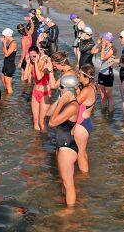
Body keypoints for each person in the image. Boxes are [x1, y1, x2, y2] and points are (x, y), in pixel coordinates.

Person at [48, 75, 80, 206]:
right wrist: (60, 101)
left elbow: (51, 122)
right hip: (62, 145)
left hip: (67, 147)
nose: (58, 89)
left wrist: (61, 102)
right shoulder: (67, 104)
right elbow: (49, 113)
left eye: (60, 87)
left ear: (67, 89)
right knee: (63, 180)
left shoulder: (72, 106)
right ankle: (66, 200)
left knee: (68, 183)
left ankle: (70, 212)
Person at [73, 64, 96, 173]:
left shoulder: (86, 90)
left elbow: (74, 104)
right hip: (87, 122)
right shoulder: (92, 86)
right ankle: (85, 173)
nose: (78, 76)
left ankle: (83, 177)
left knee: (80, 154)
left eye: (80, 74)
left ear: (86, 76)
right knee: (83, 152)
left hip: (81, 124)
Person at [24, 46, 51, 131]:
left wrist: (35, 63)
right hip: (35, 92)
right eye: (30, 56)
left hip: (45, 93)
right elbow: (24, 77)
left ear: (38, 55)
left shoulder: (45, 63)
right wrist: (28, 63)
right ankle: (36, 142)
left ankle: (44, 140)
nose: (32, 58)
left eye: (34, 56)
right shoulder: (31, 63)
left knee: (41, 121)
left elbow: (39, 77)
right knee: (35, 120)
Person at [91, 32, 116, 112]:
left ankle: (110, 115)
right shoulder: (103, 46)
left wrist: (103, 47)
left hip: (108, 74)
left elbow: (102, 58)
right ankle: (103, 115)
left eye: (103, 38)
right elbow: (92, 51)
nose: (101, 39)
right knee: (102, 96)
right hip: (101, 73)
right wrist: (97, 43)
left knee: (109, 96)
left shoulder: (113, 49)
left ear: (107, 40)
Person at [0, 28, 17, 94]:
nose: (3, 37)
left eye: (4, 36)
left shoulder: (13, 43)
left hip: (10, 66)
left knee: (8, 85)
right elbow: (4, 53)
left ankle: (9, 101)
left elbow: (6, 55)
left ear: (7, 36)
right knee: (2, 79)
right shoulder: (9, 42)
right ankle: (6, 94)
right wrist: (3, 43)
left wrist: (4, 43)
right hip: (6, 64)